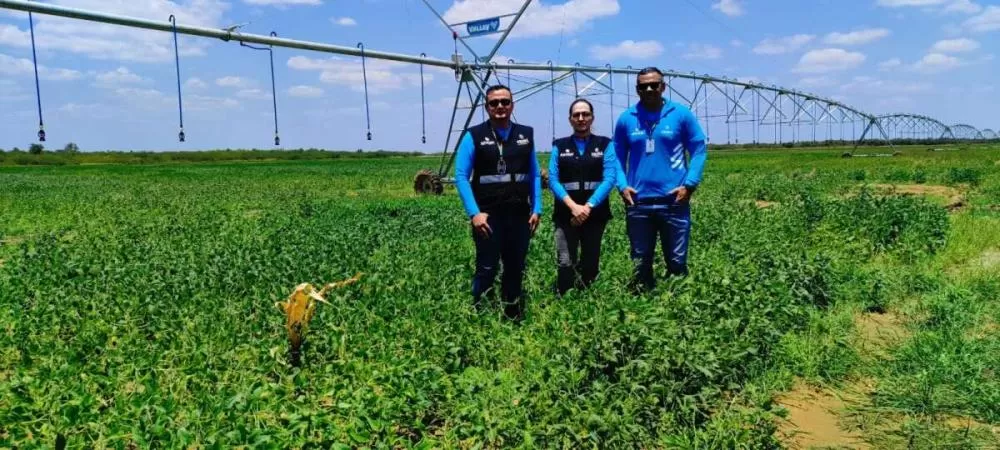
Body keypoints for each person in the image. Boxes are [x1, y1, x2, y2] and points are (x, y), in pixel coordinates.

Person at [613, 67, 707, 292]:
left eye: (654, 84)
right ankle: (642, 308)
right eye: (643, 86)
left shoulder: (681, 114)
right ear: (637, 89)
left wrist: (690, 184)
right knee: (640, 261)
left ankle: (679, 306)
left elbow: (699, 149)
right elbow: (615, 156)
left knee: (676, 261)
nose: (649, 89)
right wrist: (622, 185)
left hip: (674, 200)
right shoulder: (627, 118)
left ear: (663, 87)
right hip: (638, 203)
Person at [454, 84, 542, 320]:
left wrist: (538, 208)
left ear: (512, 105)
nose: (500, 106)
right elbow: (461, 177)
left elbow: (534, 174)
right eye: (494, 103)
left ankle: (512, 314)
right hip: (488, 217)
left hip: (519, 214)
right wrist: (474, 214)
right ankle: (481, 315)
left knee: (515, 268)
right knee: (486, 268)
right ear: (487, 107)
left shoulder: (526, 134)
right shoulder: (473, 136)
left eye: (505, 102)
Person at [548, 98, 619, 296]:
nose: (581, 118)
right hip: (565, 215)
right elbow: (553, 180)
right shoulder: (559, 146)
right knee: (564, 261)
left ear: (592, 117)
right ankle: (565, 299)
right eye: (576, 115)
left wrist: (587, 207)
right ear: (570, 119)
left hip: (595, 215)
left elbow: (610, 177)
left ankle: (588, 298)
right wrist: (573, 207)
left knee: (590, 261)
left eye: (585, 114)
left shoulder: (605, 144)